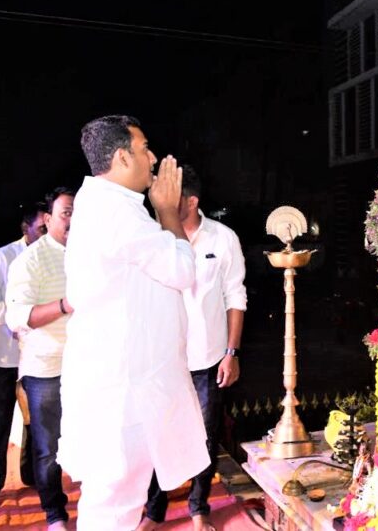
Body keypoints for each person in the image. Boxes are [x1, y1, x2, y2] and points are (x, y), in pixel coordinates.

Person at [59, 115, 208, 530]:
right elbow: (182, 270)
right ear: (122, 157)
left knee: (118, 499)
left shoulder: (111, 207)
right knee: (113, 501)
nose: (153, 158)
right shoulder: (115, 213)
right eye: (144, 149)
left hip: (123, 380)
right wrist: (168, 211)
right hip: (121, 388)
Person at [141, 165, 247, 531]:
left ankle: (199, 507)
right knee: (159, 434)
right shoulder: (153, 238)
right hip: (161, 359)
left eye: (171, 196)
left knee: (205, 436)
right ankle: (153, 512)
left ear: (191, 201)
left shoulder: (223, 238)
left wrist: (231, 353)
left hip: (207, 358)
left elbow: (235, 297)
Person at [5, 187, 76, 530]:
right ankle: (55, 514)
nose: (74, 220)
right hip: (46, 368)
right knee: (48, 448)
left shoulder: (92, 253)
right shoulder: (30, 260)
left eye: (79, 213)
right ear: (48, 219)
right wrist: (64, 305)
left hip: (89, 365)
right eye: (67, 213)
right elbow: (16, 317)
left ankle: (99, 504)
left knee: (94, 437)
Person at [0, 201, 47, 510]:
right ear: (25, 227)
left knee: (39, 419)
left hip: (41, 355)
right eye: (41, 229)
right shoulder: (2, 258)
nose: (46, 234)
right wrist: (17, 320)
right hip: (3, 356)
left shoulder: (55, 258)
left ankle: (36, 476)